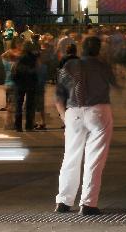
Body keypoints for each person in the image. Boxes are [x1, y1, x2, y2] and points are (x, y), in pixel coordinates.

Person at [54, 36, 117, 215]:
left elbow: (59, 95)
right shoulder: (103, 66)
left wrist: (64, 116)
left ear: (82, 49)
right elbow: (114, 83)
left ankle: (63, 201)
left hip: (73, 112)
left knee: (70, 157)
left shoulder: (69, 67)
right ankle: (88, 203)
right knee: (94, 158)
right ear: (98, 49)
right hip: (98, 110)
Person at [13, 42, 39, 132]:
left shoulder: (20, 58)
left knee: (19, 104)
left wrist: (15, 81)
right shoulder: (34, 58)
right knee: (30, 105)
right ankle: (29, 125)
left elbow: (15, 71)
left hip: (20, 84)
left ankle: (18, 126)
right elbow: (36, 70)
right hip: (31, 84)